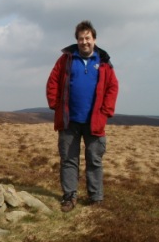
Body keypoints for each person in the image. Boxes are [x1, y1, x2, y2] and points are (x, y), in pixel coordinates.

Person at [46, 20, 119, 212]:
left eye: (87, 38)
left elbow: (113, 87)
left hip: (95, 121)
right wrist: (56, 105)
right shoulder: (66, 59)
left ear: (94, 39)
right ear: (76, 40)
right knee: (69, 159)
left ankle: (96, 198)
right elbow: (53, 81)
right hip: (69, 120)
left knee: (94, 160)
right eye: (81, 38)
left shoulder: (103, 62)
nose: (84, 42)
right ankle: (69, 197)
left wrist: (106, 111)